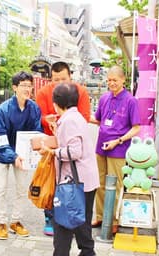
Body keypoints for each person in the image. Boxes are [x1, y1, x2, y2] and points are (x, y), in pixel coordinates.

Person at [40, 83, 99, 256]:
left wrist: (52, 152)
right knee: (81, 224)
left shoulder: (69, 120)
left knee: (63, 225)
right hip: (84, 182)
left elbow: (74, 151)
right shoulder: (75, 117)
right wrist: (56, 130)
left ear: (56, 103)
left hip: (73, 183)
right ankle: (88, 253)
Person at [35, 61, 91, 236]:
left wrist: (62, 121)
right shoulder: (44, 92)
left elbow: (85, 117)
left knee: (71, 182)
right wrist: (49, 120)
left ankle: (73, 219)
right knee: (49, 180)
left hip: (72, 143)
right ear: (51, 78)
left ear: (70, 76)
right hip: (51, 142)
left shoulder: (80, 91)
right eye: (56, 79)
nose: (59, 83)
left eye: (63, 79)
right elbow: (39, 116)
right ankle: (49, 217)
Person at [0, 71, 43, 240]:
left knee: (22, 189)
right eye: (24, 85)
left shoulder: (34, 108)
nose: (28, 89)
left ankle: (16, 221)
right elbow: (0, 136)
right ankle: (1, 222)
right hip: (2, 152)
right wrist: (12, 156)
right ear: (15, 87)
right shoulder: (3, 109)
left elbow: (37, 132)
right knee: (1, 189)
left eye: (29, 85)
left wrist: (38, 148)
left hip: (23, 154)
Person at [90, 65, 141, 234]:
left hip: (118, 148)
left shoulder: (130, 101)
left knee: (116, 184)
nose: (111, 83)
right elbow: (98, 120)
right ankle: (99, 215)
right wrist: (77, 115)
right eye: (109, 80)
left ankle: (114, 220)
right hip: (101, 146)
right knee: (100, 183)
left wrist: (118, 140)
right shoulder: (104, 98)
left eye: (115, 80)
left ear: (123, 80)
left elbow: (136, 128)